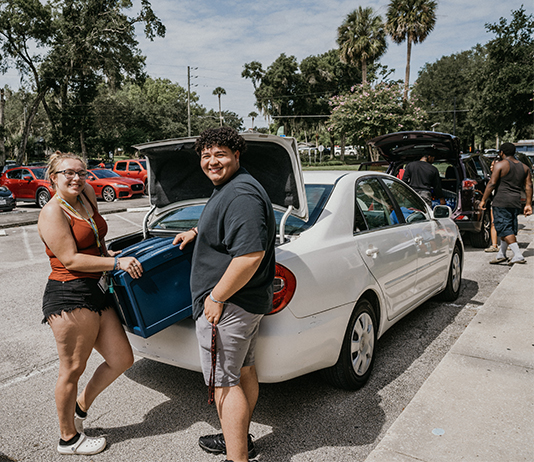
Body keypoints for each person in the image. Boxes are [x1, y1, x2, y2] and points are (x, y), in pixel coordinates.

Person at [173, 127, 275, 462]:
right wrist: (194, 231)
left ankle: (237, 458)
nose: (212, 162)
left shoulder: (240, 195)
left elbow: (249, 256)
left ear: (236, 155)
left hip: (230, 306)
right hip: (244, 305)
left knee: (224, 383)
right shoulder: (232, 187)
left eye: (220, 154)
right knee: (243, 371)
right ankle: (239, 439)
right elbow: (223, 224)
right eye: (206, 155)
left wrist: (215, 298)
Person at [38, 151, 143, 455]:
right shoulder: (52, 212)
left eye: (81, 172)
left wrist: (107, 255)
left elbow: (96, 239)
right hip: (70, 294)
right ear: (53, 177)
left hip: (98, 289)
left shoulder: (86, 194)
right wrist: (117, 263)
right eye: (67, 173)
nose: (76, 178)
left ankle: (80, 407)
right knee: (72, 368)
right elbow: (70, 258)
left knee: (122, 358)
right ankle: (68, 438)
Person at [479, 142, 532, 265]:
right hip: (515, 202)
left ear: (502, 153)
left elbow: (492, 183)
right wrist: (528, 204)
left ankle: (518, 255)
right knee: (508, 227)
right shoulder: (525, 167)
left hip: (501, 201)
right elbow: (529, 185)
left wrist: (483, 200)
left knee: (504, 227)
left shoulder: (500, 165)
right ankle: (501, 254)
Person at [485, 159, 500, 252]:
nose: (491, 167)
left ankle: (507, 244)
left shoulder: (502, 177)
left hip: (502, 202)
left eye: (493, 165)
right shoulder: (491, 177)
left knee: (504, 224)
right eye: (491, 165)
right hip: (494, 202)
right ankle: (494, 245)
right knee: (493, 223)